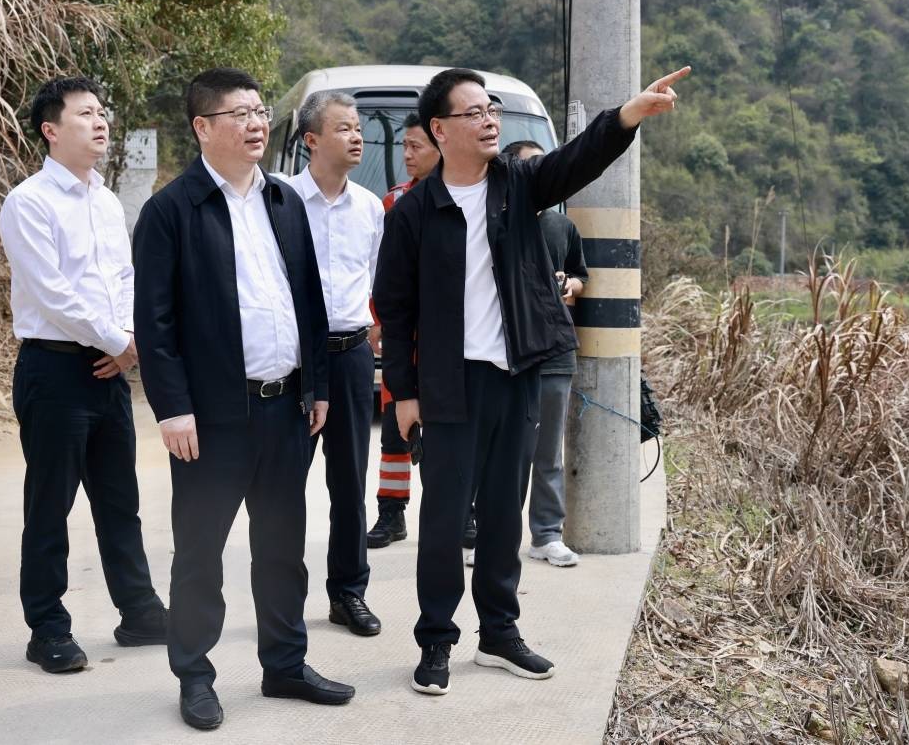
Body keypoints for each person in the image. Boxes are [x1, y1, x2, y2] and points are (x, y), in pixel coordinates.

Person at [374, 65, 689, 696]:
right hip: (448, 387)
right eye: (473, 112)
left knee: (502, 513)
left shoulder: (518, 186)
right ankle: (435, 640)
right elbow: (396, 307)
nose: (489, 120)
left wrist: (626, 115)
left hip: (516, 376)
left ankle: (499, 633)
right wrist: (404, 393)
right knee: (444, 521)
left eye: (491, 109)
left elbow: (577, 160)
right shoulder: (413, 212)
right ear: (440, 130)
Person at [133, 68, 355, 731]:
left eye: (260, 111)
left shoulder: (283, 200)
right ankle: (194, 674)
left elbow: (308, 301)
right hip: (211, 418)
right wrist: (173, 408)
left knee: (283, 546)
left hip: (286, 409)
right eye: (241, 114)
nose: (258, 123)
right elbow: (155, 323)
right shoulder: (172, 211)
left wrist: (316, 385)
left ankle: (285, 662)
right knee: (201, 553)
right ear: (203, 127)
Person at [0, 76, 167, 675]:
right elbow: (53, 293)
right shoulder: (28, 202)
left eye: (102, 112)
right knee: (50, 505)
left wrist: (126, 343)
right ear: (51, 129)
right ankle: (47, 628)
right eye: (86, 113)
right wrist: (121, 342)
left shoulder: (105, 200)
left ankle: (140, 612)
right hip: (55, 370)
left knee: (120, 501)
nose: (101, 123)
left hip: (108, 370)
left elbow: (124, 279)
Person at [288, 92, 384, 637]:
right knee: (284, 483)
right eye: (344, 128)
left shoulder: (369, 208)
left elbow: (372, 279)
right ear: (311, 140)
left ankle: (348, 593)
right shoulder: (280, 200)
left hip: (350, 357)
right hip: (295, 360)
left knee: (349, 482)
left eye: (359, 128)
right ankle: (283, 596)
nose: (357, 137)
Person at [504, 139, 586, 568]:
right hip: (507, 355)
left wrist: (569, 284)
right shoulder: (495, 220)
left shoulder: (562, 226)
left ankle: (547, 534)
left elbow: (580, 277)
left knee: (548, 451)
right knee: (505, 452)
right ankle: (496, 535)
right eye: (532, 165)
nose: (543, 172)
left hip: (555, 352)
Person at [366, 113, 440, 549]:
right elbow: (379, 270)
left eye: (416, 147)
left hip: (450, 339)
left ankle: (460, 513)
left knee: (450, 432)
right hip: (403, 337)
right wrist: (377, 318)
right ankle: (391, 513)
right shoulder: (393, 202)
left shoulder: (466, 197)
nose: (408, 155)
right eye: (405, 145)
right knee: (396, 428)